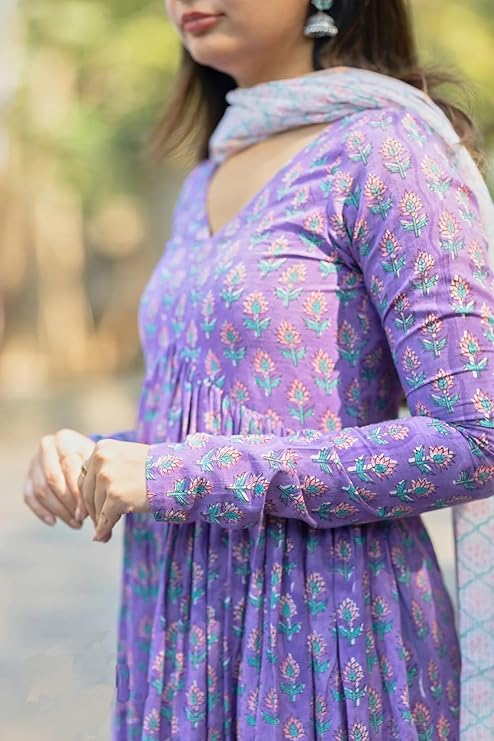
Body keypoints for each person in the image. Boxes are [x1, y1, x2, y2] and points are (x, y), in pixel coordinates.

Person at [22, 1, 494, 738]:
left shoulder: (387, 150)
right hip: (184, 644)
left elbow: (476, 437)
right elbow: (216, 420)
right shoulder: (207, 174)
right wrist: (100, 457)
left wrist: (179, 474)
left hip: (327, 645)